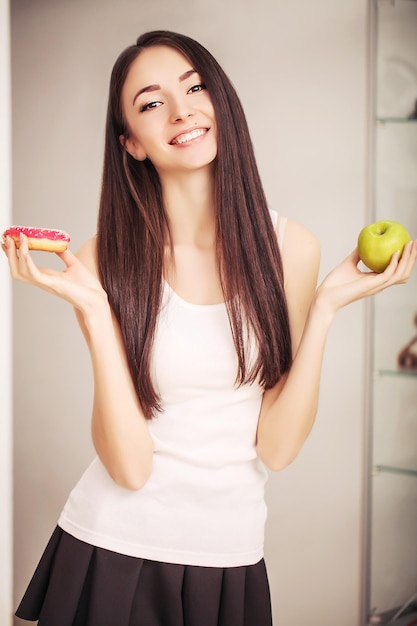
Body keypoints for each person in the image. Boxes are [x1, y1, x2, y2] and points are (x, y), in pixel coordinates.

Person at [3, 30, 417, 626]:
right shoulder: (101, 261)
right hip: (112, 548)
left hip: (231, 556)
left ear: (220, 99)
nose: (181, 110)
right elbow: (129, 467)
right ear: (131, 144)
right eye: (150, 103)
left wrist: (326, 308)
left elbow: (276, 448)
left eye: (195, 87)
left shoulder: (291, 250)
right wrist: (94, 312)